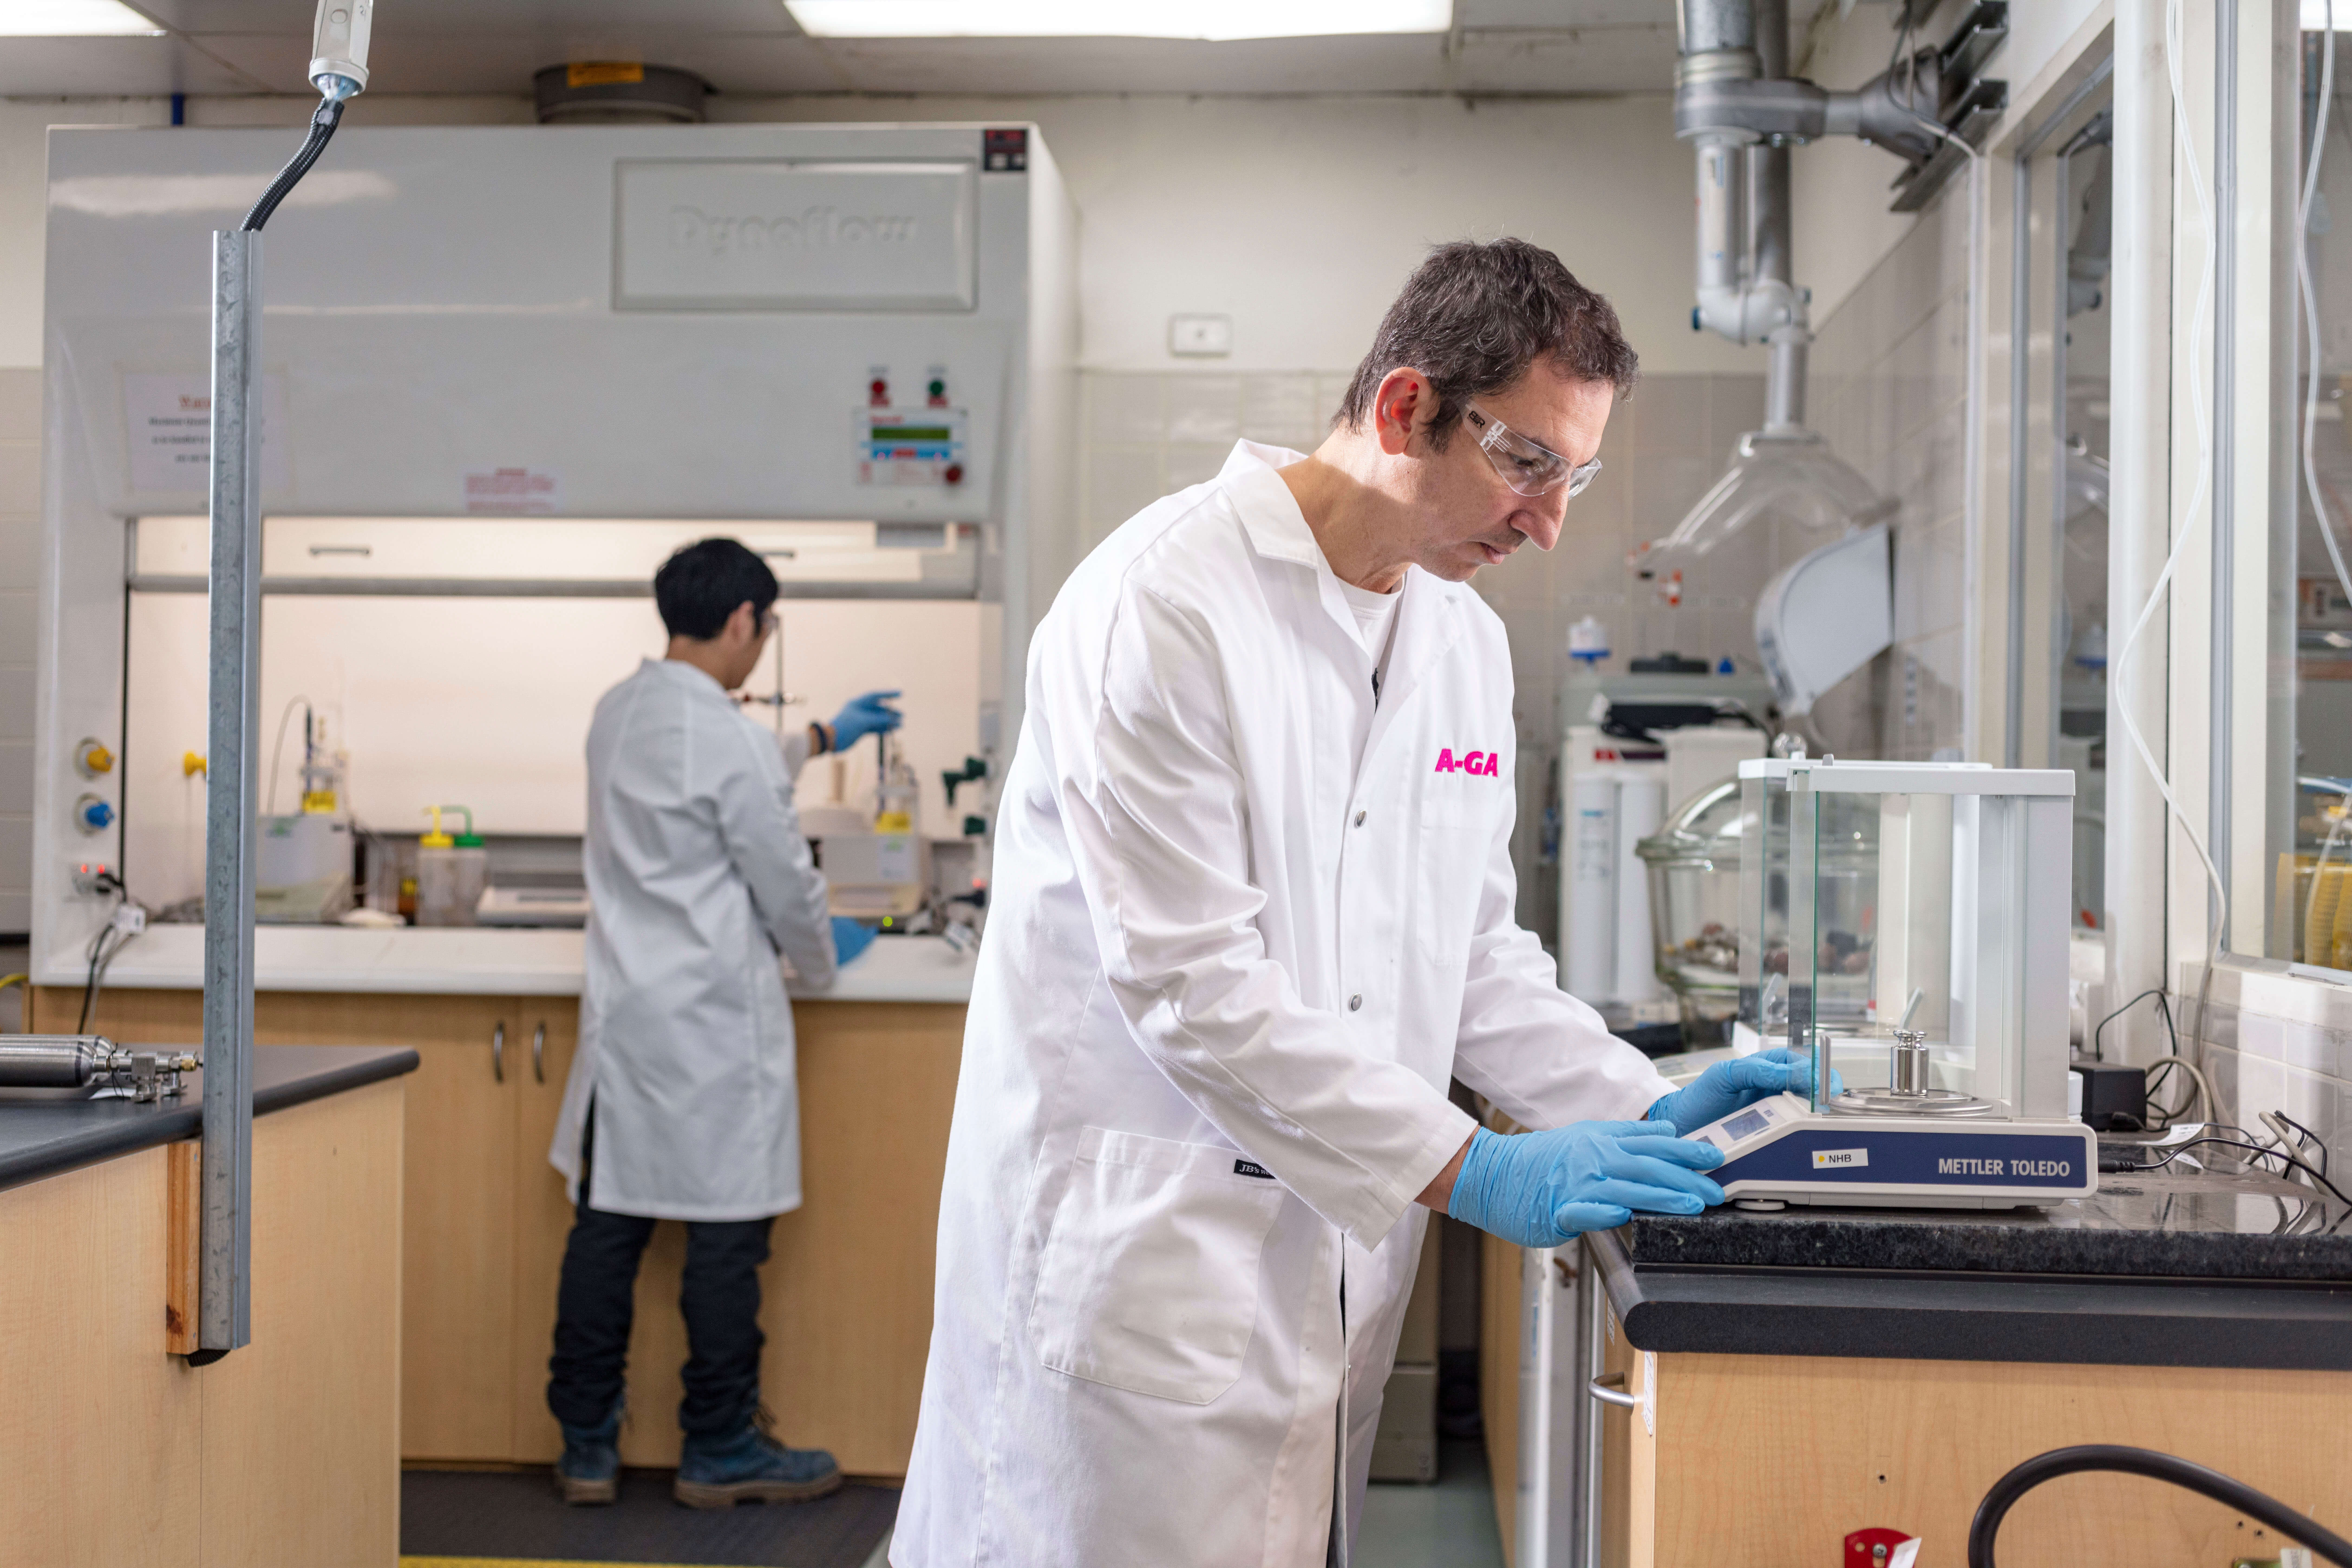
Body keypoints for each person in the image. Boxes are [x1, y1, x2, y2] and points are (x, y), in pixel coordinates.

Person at [894, 240, 1804, 1566]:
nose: (1550, 522)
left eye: (1576, 475)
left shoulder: (1459, 638)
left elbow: (1474, 949)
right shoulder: (1161, 607)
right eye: (1527, 461)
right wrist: (1474, 1164)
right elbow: (1192, 990)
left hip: (1319, 1295)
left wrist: (1627, 1100)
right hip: (1137, 1288)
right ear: (1402, 409)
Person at [545, 537, 903, 1508]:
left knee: (607, 1234)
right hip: (709, 1029)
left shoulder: (618, 714)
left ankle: (585, 1446)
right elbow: (783, 875)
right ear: (744, 620)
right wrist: (828, 955)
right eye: (766, 628)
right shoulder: (730, 738)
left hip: (625, 1027)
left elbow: (704, 772)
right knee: (724, 1244)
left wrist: (822, 736)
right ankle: (719, 1446)